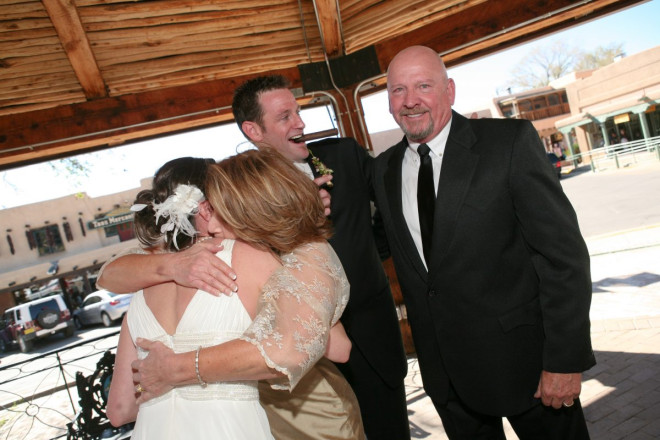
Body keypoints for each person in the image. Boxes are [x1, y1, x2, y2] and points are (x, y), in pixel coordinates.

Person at [371, 45, 595, 439]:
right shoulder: (383, 169)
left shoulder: (507, 144)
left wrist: (564, 359)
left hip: (529, 368)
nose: (410, 101)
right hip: (447, 377)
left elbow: (564, 258)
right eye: (398, 90)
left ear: (450, 90)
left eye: (423, 85)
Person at [106, 151, 364, 439]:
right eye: (211, 208)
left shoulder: (142, 282)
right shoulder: (251, 257)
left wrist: (167, 380)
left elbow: (119, 410)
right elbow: (338, 346)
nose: (214, 223)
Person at [232, 75, 410, 439]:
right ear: (254, 129)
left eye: (297, 112)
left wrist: (370, 256)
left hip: (372, 335)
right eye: (285, 117)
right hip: (306, 362)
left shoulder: (343, 155)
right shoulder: (240, 191)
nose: (300, 123)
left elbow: (397, 208)